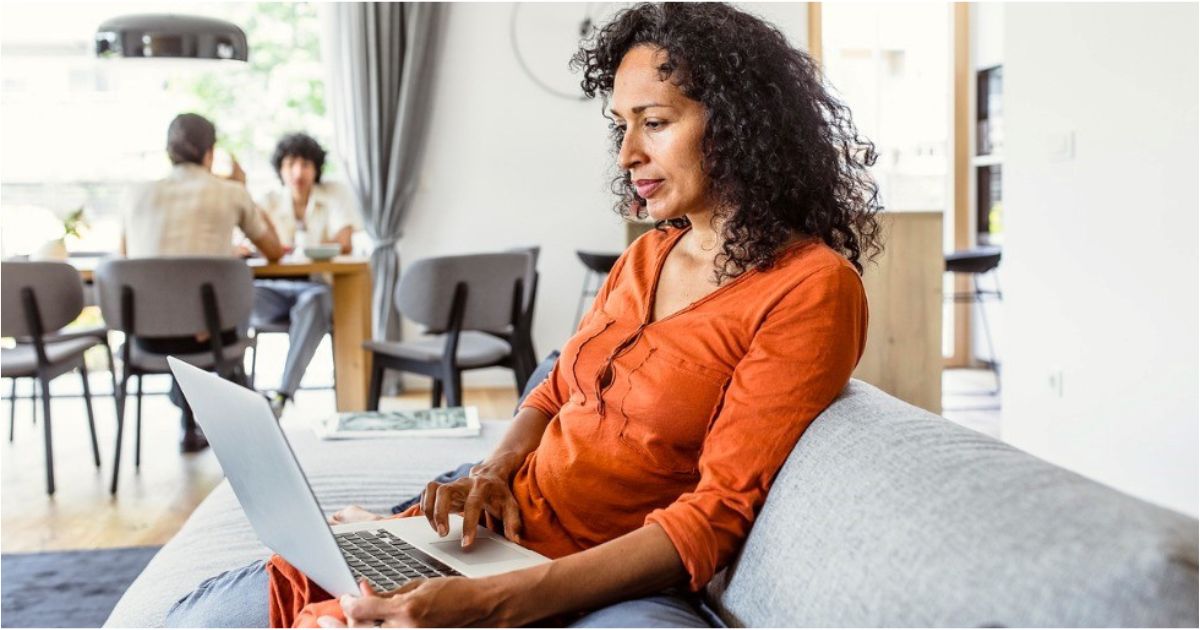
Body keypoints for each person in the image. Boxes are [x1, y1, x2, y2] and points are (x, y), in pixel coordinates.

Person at [165, 2, 883, 625]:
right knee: (210, 610)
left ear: (737, 124)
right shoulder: (649, 255)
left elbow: (715, 515)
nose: (629, 152)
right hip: (498, 530)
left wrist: (493, 601)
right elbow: (555, 387)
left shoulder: (810, 289)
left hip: (571, 570)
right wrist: (495, 467)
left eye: (655, 122)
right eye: (621, 126)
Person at [122, 113, 284, 452]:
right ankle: (247, 413)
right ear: (210, 153)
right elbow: (272, 250)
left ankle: (190, 420)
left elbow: (126, 263)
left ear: (169, 152)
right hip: (209, 337)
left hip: (147, 339)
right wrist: (243, 187)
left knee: (182, 307)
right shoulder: (230, 192)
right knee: (222, 306)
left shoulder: (134, 194)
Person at [251, 133, 362, 417]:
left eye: (305, 165)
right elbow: (249, 243)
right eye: (290, 165)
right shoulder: (268, 200)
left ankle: (281, 396)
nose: (298, 172)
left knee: (317, 301)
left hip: (314, 287)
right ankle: (238, 395)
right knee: (234, 295)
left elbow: (344, 241)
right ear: (281, 169)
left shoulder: (334, 195)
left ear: (316, 168)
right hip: (271, 289)